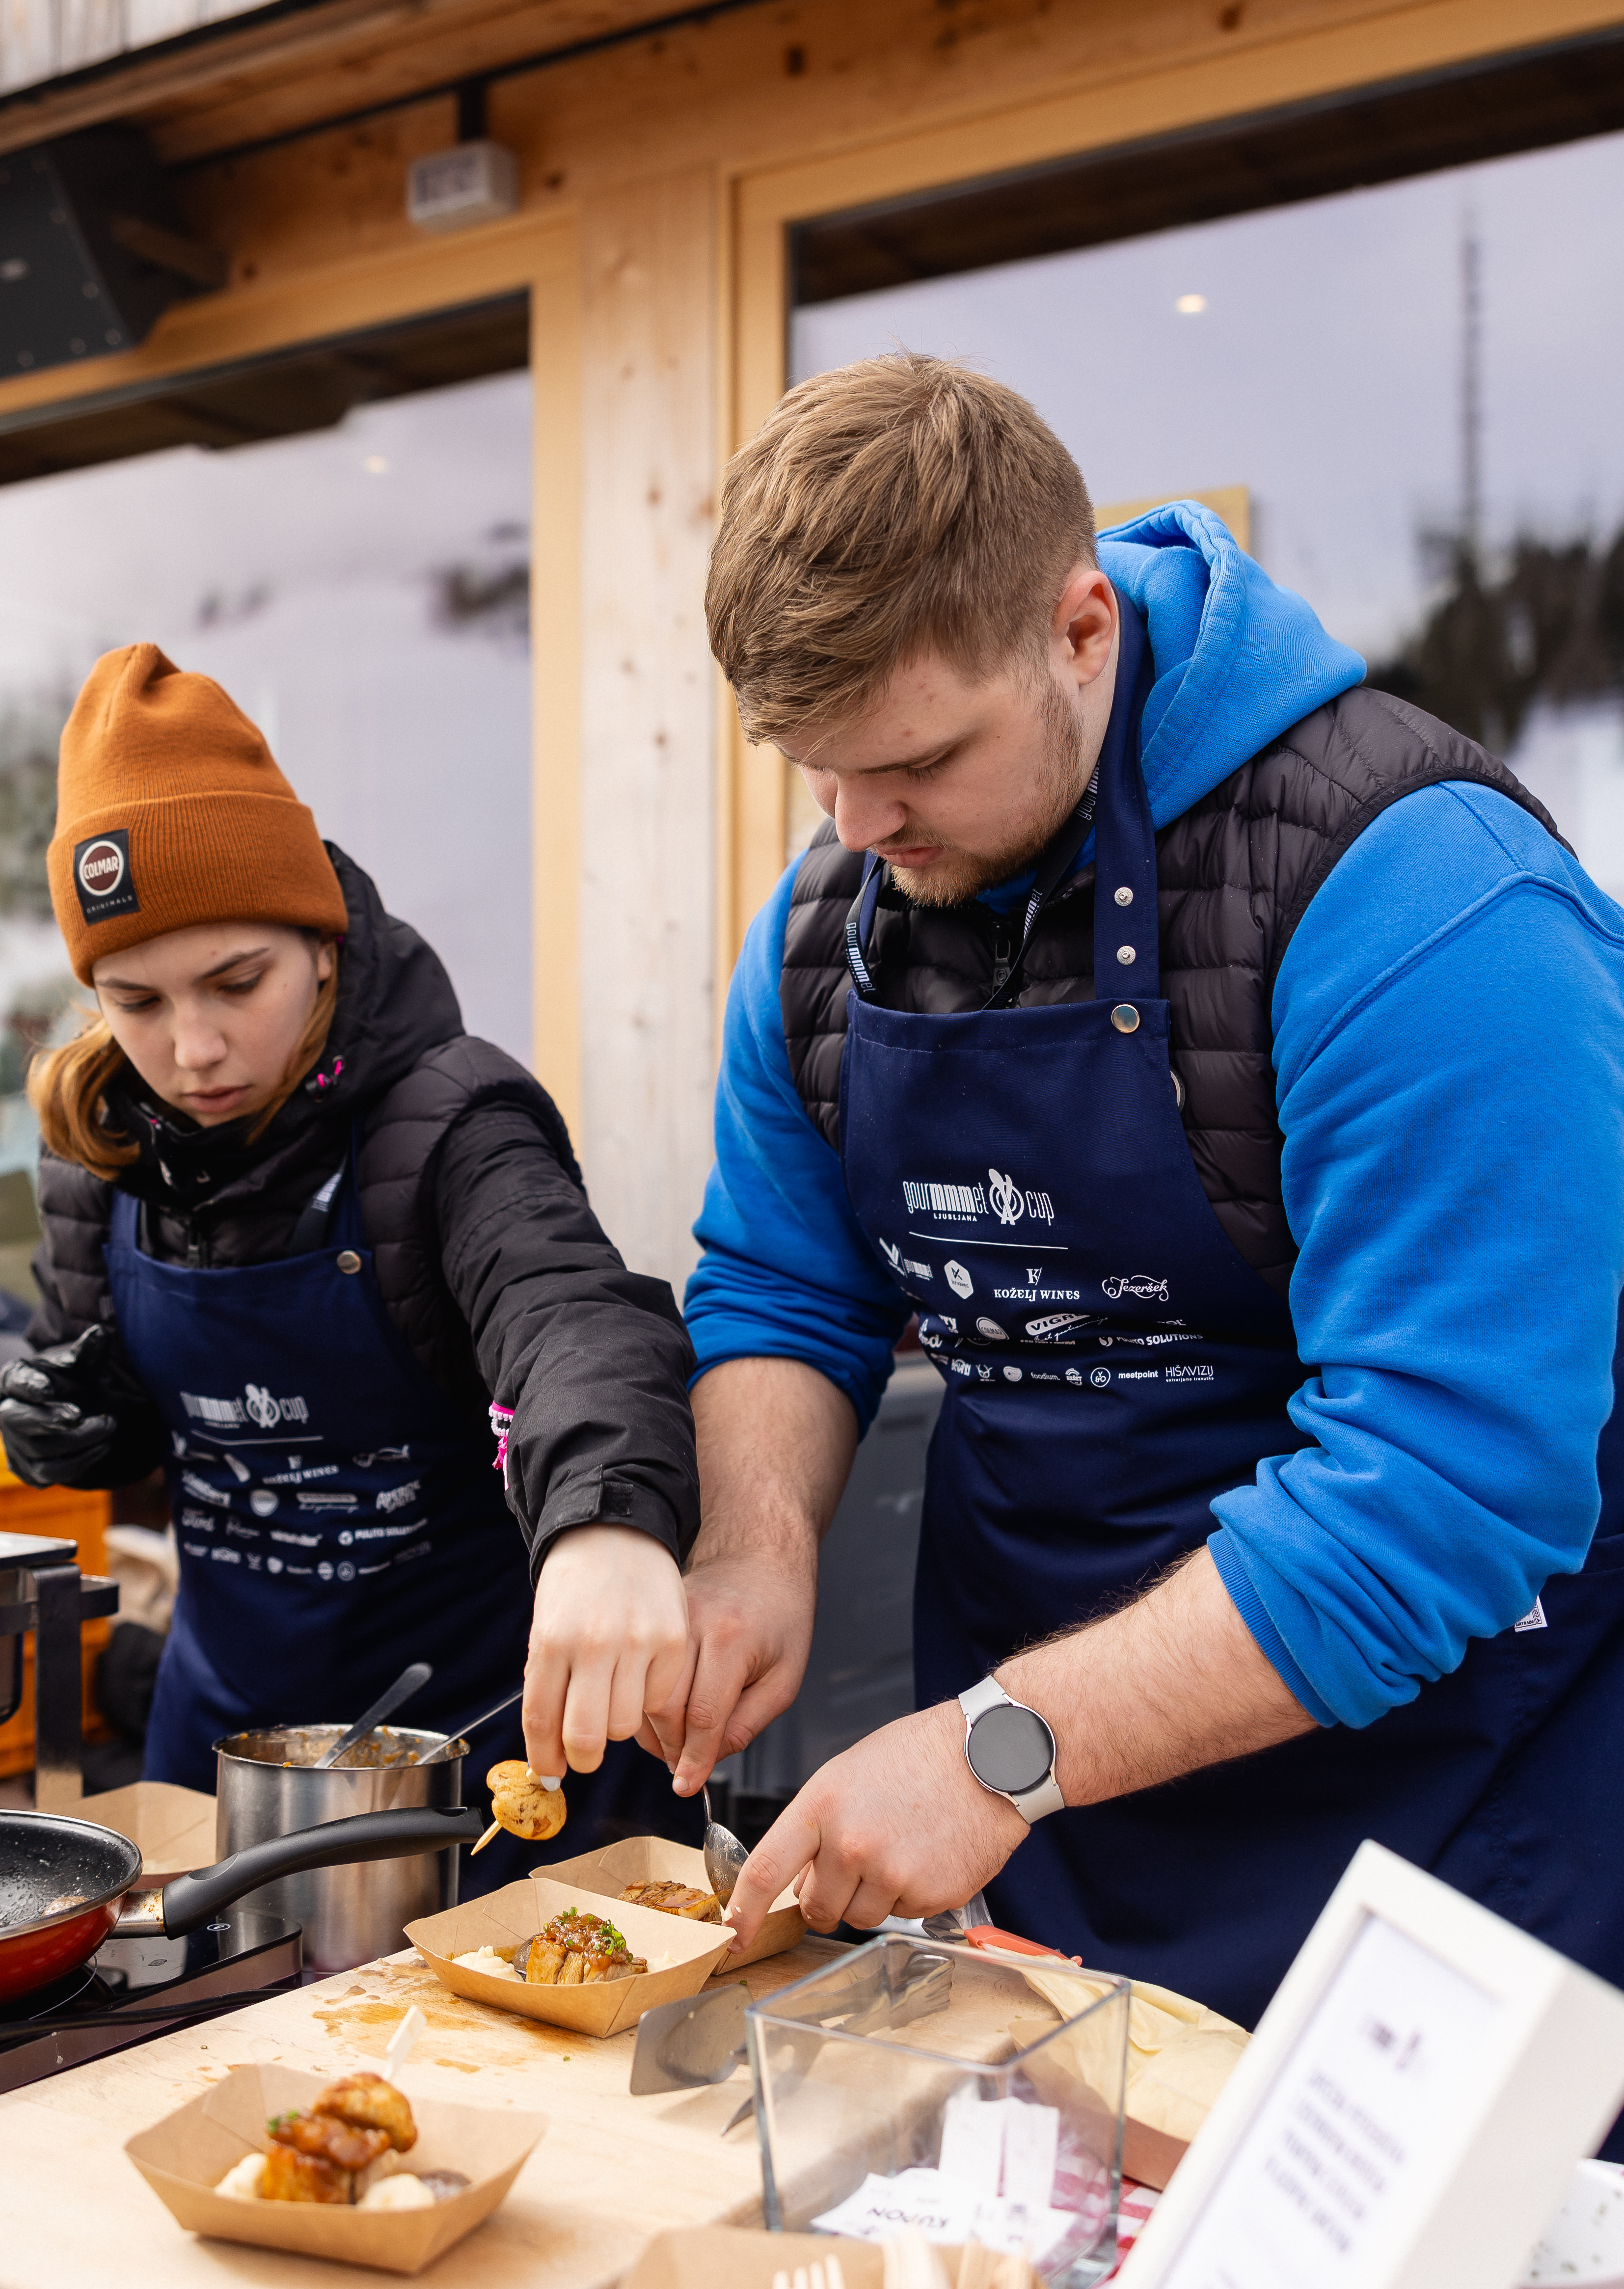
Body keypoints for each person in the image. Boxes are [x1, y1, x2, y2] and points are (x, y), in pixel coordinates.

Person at [665, 353, 1624, 2023]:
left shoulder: (1424, 908)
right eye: (813, 767)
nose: (859, 823)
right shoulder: (829, 921)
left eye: (917, 761)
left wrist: (991, 1752)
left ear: (1082, 627)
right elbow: (783, 1287)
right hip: (1040, 1837)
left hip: (1450, 1840)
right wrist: (754, 1553)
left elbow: (1442, 1488)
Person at [0, 644, 694, 1866]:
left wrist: (607, 1525)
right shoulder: (98, 1151)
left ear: (320, 941)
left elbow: (574, 1320)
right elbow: (116, 1398)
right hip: (217, 1771)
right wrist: (83, 1418)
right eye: (136, 1001)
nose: (193, 1047)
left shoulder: (448, 1125)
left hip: (485, 1773)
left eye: (234, 980)